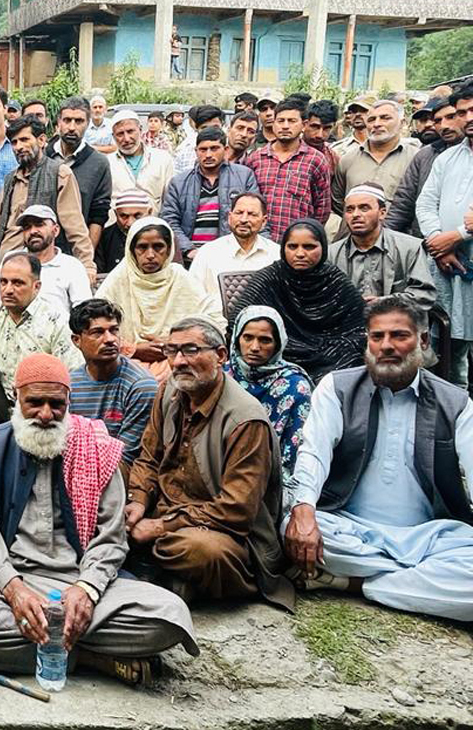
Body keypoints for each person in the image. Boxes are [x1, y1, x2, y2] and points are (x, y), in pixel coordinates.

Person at [0, 353, 197, 685]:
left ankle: (39, 640)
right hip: (11, 577)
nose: (45, 414)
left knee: (171, 617)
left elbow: (111, 536)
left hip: (79, 577)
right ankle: (92, 658)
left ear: (69, 400)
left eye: (56, 404)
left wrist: (87, 590)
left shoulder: (96, 448)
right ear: (15, 396)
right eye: (34, 402)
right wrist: (14, 591)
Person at [285, 297, 473, 621]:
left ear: (423, 341)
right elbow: (313, 452)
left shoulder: (456, 402)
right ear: (368, 341)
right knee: (290, 526)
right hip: (347, 530)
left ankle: (355, 584)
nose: (386, 346)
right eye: (377, 337)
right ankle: (417, 581)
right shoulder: (337, 387)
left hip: (429, 536)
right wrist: (303, 512)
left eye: (399, 336)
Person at [124, 317, 293, 608]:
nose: (178, 362)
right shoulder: (168, 391)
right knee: (109, 469)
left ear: (220, 356)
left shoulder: (245, 419)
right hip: (161, 507)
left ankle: (147, 564)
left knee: (199, 550)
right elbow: (148, 458)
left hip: (220, 529)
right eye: (171, 351)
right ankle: (167, 576)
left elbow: (236, 509)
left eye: (190, 350)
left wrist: (159, 527)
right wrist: (137, 502)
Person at [227, 218, 367, 382]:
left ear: (323, 248)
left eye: (309, 247)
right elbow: (237, 320)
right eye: (292, 247)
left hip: (329, 356)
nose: (300, 254)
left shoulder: (335, 279)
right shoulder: (269, 277)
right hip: (279, 353)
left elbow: (359, 326)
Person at [0, 253, 83, 429]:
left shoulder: (57, 319)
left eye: (17, 283)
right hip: (7, 400)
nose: (8, 289)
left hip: (44, 405)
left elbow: (72, 375)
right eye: (3, 282)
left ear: (37, 286)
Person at [96, 218, 222, 382]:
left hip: (178, 357)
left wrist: (176, 342)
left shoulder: (180, 277)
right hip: (125, 361)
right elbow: (94, 326)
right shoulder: (118, 278)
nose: (150, 255)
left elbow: (215, 319)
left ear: (169, 249)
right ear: (131, 250)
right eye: (142, 247)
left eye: (158, 247)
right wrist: (133, 349)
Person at [0, 116, 96, 279]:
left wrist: (87, 265)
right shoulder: (11, 179)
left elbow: (74, 225)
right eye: (14, 142)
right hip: (4, 270)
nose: (18, 147)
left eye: (24, 140)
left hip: (41, 270)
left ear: (42, 140)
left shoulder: (59, 173)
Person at [224, 305, 313, 502]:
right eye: (248, 338)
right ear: (237, 339)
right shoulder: (222, 377)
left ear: (278, 344)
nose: (255, 347)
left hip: (270, 477)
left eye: (265, 340)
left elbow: (294, 449)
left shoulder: (295, 385)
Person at [416, 84, 473, 386]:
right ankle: (455, 419)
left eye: (472, 109)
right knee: (450, 354)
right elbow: (424, 204)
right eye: (462, 112)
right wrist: (441, 242)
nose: (468, 117)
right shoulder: (448, 158)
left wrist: (461, 233)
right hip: (447, 267)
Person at [68, 300, 158, 465]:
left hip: (120, 475)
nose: (110, 339)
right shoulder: (69, 384)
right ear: (77, 340)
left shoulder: (141, 386)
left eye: (114, 330)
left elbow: (127, 456)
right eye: (97, 332)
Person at [331, 184, 436, 312]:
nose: (355, 215)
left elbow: (424, 295)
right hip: (348, 327)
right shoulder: (331, 254)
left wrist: (385, 303)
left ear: (382, 213)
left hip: (398, 325)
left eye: (364, 208)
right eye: (349, 210)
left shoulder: (409, 248)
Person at [162, 127, 260, 259]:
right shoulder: (179, 182)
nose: (208, 155)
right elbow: (169, 220)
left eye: (214, 148)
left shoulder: (244, 176)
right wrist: (189, 249)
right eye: (203, 150)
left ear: (225, 150)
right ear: (196, 151)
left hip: (232, 255)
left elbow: (255, 214)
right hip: (191, 257)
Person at [242, 101, 331, 242]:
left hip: (295, 245)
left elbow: (322, 208)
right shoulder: (255, 159)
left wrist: (307, 238)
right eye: (280, 121)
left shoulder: (316, 160)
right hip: (258, 242)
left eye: (292, 121)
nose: (285, 126)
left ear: (304, 125)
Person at [0, 205, 91, 325]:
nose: (33, 231)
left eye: (39, 225)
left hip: (57, 336)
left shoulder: (71, 266)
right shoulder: (12, 260)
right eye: (27, 227)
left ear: (55, 230)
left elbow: (84, 311)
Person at [186, 192, 279, 315]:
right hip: (216, 328)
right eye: (239, 213)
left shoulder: (276, 254)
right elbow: (193, 299)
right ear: (230, 217)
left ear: (264, 221)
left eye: (252, 214)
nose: (244, 219)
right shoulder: (208, 253)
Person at [330, 100, 418, 230]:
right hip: (353, 239)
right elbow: (337, 200)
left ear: (402, 123)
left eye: (385, 118)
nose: (377, 124)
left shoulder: (415, 157)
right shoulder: (348, 159)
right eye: (371, 120)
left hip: (398, 239)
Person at [387, 94, 465, 235]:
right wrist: (382, 237)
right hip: (428, 243)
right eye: (438, 121)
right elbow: (404, 202)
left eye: (451, 117)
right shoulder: (425, 155)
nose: (444, 126)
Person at [45, 97, 113, 247]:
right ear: (58, 122)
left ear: (88, 124)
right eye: (67, 120)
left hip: (77, 248)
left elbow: (99, 214)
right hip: (41, 248)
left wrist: (86, 255)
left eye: (79, 121)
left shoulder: (99, 163)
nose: (71, 127)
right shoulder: (43, 157)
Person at [106, 110, 175, 212]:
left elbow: (170, 201)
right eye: (120, 134)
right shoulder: (106, 163)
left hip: (152, 225)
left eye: (130, 131)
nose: (126, 139)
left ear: (140, 130)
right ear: (113, 137)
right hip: (116, 226)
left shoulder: (163, 159)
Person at [94, 189, 153, 275]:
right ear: (115, 214)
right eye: (124, 216)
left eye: (137, 216)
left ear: (149, 212)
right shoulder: (105, 237)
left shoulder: (163, 235)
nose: (130, 223)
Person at [171, 106, 225, 174]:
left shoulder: (231, 150)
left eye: (215, 127)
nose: (210, 132)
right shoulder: (184, 151)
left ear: (222, 126)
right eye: (204, 128)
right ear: (196, 129)